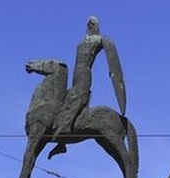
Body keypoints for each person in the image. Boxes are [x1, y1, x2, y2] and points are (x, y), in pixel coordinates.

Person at [49, 15, 126, 158]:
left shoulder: (100, 39)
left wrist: (117, 82)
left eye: (92, 23)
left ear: (95, 25)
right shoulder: (83, 40)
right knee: (67, 100)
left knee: (79, 99)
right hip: (76, 74)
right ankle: (62, 143)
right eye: (88, 23)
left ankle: (63, 129)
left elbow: (113, 64)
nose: (89, 25)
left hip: (84, 73)